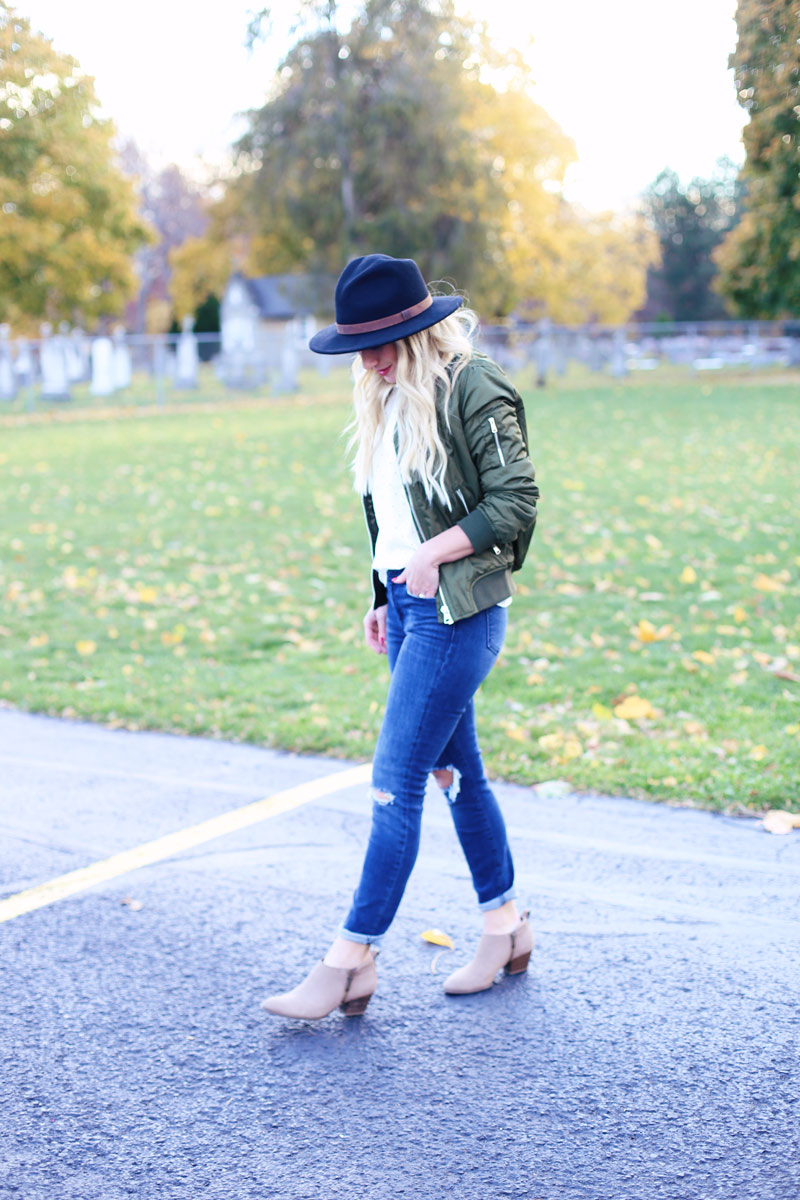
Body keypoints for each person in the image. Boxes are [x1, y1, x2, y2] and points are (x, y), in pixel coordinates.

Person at [262, 254, 539, 1020]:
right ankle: (506, 926)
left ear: (420, 331)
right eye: (362, 345)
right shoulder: (384, 397)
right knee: (459, 776)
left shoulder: (472, 386)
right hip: (412, 609)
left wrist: (432, 554)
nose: (373, 359)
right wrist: (381, 591)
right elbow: (390, 511)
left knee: (394, 782)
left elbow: (515, 500)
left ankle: (350, 959)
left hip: (461, 613)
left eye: (386, 342)